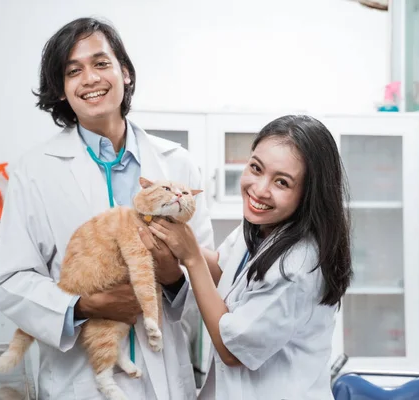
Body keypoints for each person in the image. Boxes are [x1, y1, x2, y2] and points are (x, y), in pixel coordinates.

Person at [0, 17, 214, 400]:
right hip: (79, 382)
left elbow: (206, 272)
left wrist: (172, 278)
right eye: (73, 71)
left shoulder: (177, 164)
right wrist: (84, 305)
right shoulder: (35, 171)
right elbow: (10, 281)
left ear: (125, 73)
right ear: (61, 90)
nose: (89, 78)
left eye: (101, 63)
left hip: (163, 380)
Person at [147, 115, 352, 399]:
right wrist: (170, 233)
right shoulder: (263, 229)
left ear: (309, 194)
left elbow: (233, 351)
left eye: (282, 182)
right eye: (256, 168)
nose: (259, 189)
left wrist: (191, 255)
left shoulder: (297, 265)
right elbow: (222, 269)